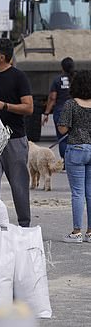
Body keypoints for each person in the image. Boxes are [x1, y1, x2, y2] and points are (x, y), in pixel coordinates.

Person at [0, 38, 33, 229]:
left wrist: (5, 106)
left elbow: (28, 108)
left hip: (14, 139)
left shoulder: (19, 77)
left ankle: (24, 226)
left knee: (19, 186)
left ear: (1, 57)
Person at [57, 69, 91, 243]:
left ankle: (76, 232)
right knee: (90, 192)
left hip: (76, 148)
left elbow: (62, 128)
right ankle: (90, 233)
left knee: (77, 193)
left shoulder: (71, 104)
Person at [43, 57, 74, 163]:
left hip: (60, 111)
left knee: (62, 138)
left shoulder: (57, 80)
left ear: (62, 67)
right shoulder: (76, 79)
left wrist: (46, 113)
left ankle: (65, 161)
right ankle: (75, 159)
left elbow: (52, 98)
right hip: (75, 111)